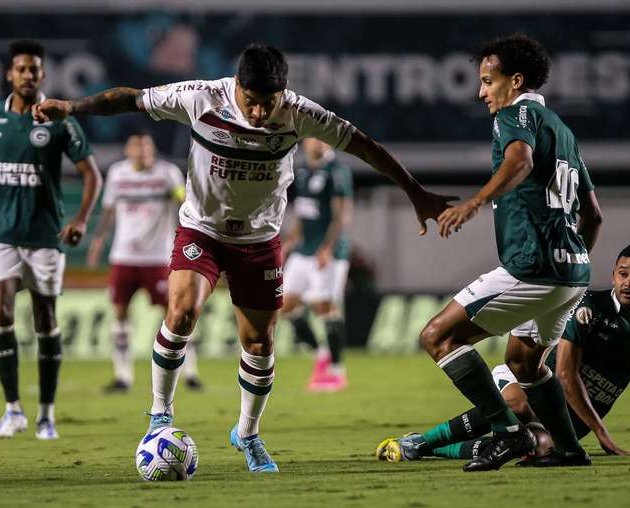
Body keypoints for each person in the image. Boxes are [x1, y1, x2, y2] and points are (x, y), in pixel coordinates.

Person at [33, 44, 453, 472]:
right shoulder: (200, 97)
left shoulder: (299, 112)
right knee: (180, 314)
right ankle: (160, 415)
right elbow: (130, 98)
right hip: (203, 230)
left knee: (259, 342)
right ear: (236, 85)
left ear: (283, 92)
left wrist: (415, 192)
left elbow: (364, 146)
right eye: (250, 102)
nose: (257, 113)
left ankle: (247, 435)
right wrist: (71, 106)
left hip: (259, 239)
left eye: (267, 104)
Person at [416, 33, 604, 471]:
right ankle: (568, 449)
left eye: (487, 80)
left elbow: (518, 161)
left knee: (437, 337)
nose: (481, 92)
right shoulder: (563, 131)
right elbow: (593, 216)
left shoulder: (514, 115)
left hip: (532, 268)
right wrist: (572, 264)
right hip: (572, 274)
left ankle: (508, 434)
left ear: (515, 81)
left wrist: (475, 202)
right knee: (522, 361)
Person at [378, 244, 630, 462]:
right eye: (623, 274)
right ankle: (421, 443)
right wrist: (601, 432)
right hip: (528, 381)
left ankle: (428, 450)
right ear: (613, 276)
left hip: (567, 422)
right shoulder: (589, 307)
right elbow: (565, 375)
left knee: (534, 445)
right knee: (518, 406)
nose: (629, 283)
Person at [0, 40, 102, 440]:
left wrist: (81, 219)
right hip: (2, 235)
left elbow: (92, 176)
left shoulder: (60, 120)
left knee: (45, 320)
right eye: (21, 69)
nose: (28, 75)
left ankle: (46, 414)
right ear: (9, 75)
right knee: (3, 313)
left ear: (43, 75)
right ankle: (13, 410)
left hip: (45, 236)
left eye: (34, 69)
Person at [87, 130, 203, 393]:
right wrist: (97, 241)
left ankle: (191, 373)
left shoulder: (167, 173)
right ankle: (123, 376)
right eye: (138, 147)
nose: (143, 152)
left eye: (147, 147)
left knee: (176, 314)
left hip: (158, 256)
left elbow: (184, 205)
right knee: (119, 313)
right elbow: (108, 210)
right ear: (128, 150)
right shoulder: (118, 174)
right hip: (124, 255)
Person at [281, 138, 353, 392]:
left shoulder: (337, 171)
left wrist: (327, 247)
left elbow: (341, 214)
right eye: (312, 136)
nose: (316, 141)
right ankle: (320, 354)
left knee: (325, 305)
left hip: (328, 252)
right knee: (285, 305)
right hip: (304, 250)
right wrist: (289, 242)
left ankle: (337, 370)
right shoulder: (301, 171)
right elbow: (303, 212)